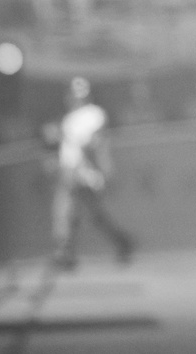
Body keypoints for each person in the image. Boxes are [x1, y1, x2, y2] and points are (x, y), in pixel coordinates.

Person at [49, 77, 135, 271]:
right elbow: (66, 146)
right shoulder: (69, 117)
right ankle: (65, 254)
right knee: (69, 212)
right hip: (71, 170)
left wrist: (94, 170)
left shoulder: (94, 114)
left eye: (77, 95)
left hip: (86, 170)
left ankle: (121, 243)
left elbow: (95, 144)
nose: (72, 98)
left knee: (86, 213)